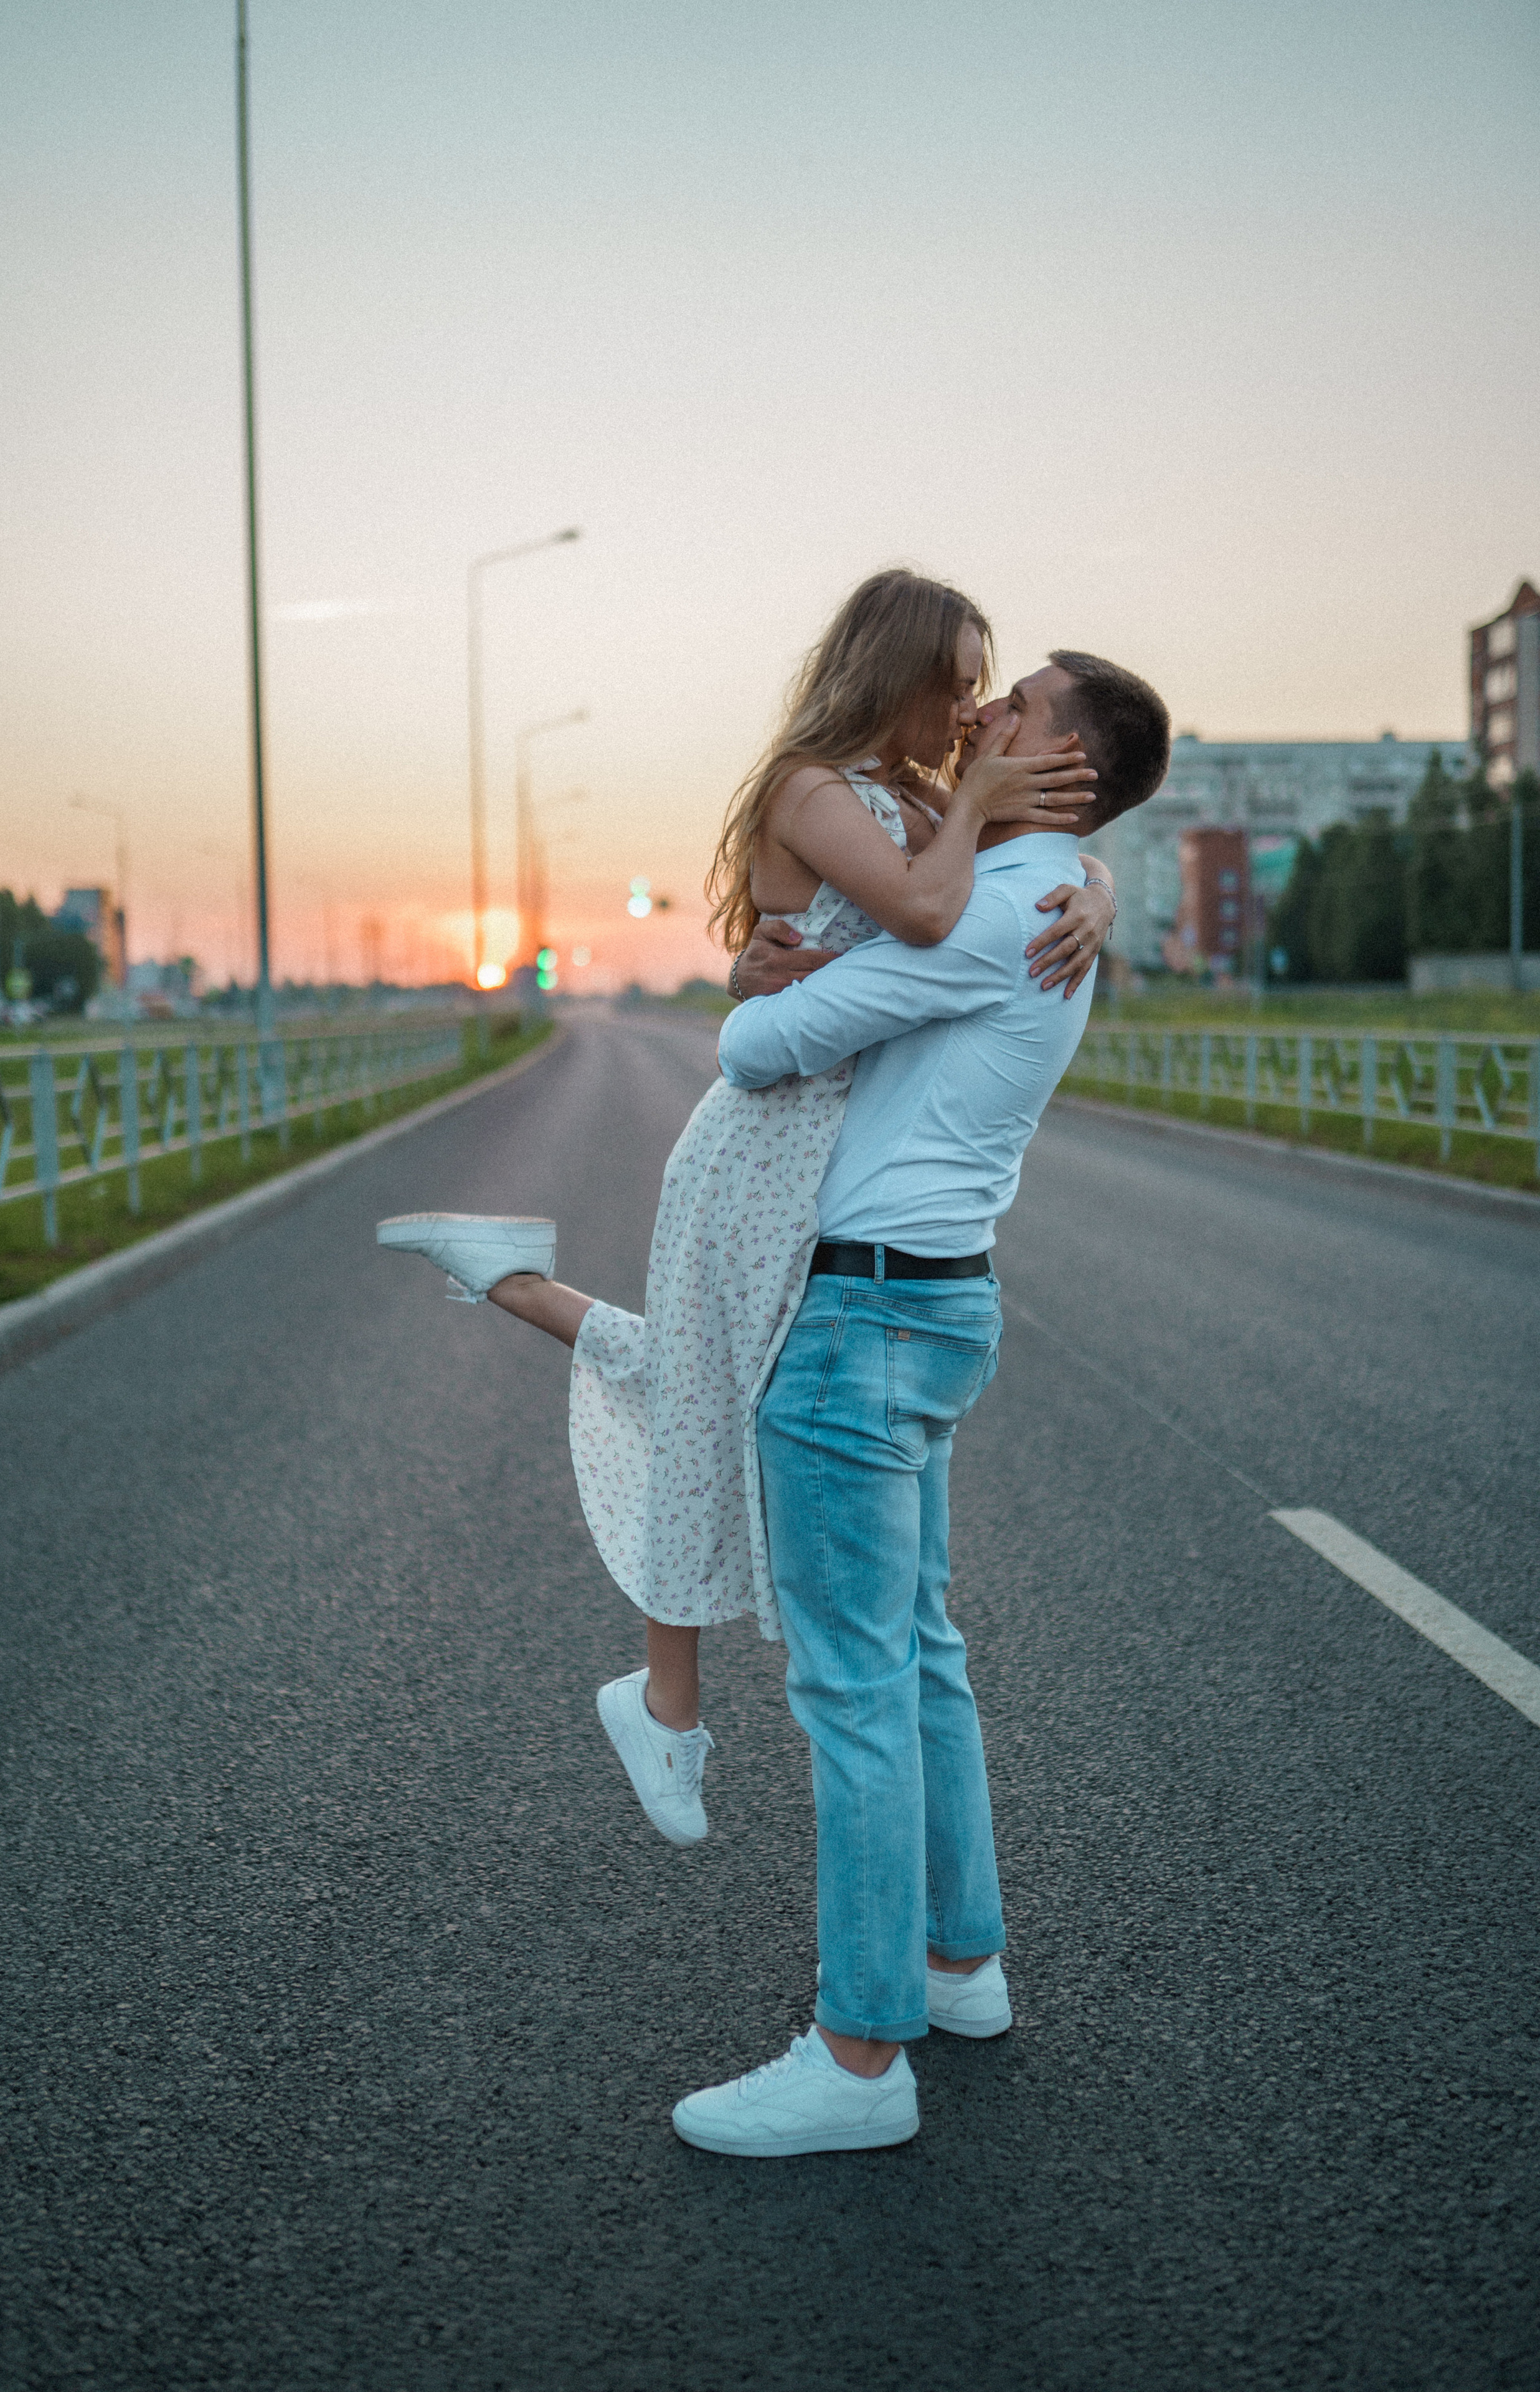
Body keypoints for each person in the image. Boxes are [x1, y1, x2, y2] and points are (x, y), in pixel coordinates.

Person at [376, 571, 1118, 1846]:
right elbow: (936, 912)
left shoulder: (929, 798)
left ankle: (507, 1282)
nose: (969, 701)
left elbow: (1002, 884)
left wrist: (1092, 884)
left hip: (819, 1133)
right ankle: (666, 1704)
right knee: (702, 1394)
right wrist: (973, 818)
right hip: (762, 1137)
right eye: (954, 673)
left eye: (986, 681)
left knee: (699, 1377)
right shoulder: (811, 788)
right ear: (892, 669)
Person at [664, 648, 1171, 2155]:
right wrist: (1089, 880)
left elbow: (755, 1051)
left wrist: (766, 985)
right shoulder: (1044, 894)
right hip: (932, 1299)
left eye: (1011, 709)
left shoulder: (990, 912)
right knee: (920, 1657)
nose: (979, 720)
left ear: (1064, 763)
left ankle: (858, 2056)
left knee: (855, 1691)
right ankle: (958, 1967)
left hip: (860, 1316)